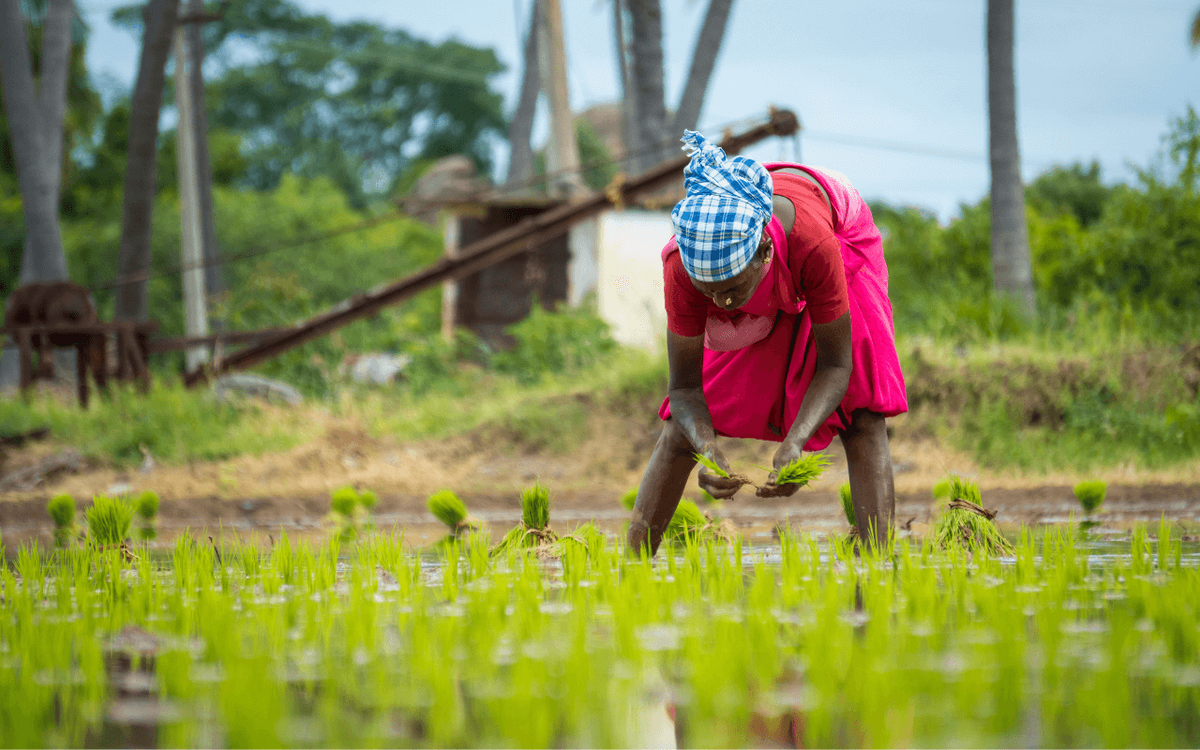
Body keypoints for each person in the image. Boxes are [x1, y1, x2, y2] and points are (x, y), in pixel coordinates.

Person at [627, 131, 908, 556]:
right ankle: (631, 563)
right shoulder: (683, 268)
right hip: (773, 260)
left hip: (838, 231)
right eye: (709, 291)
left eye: (732, 289)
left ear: (762, 254)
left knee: (863, 409)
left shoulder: (814, 244)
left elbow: (836, 365)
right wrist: (706, 448)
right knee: (679, 430)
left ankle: (877, 560)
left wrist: (796, 441)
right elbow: (684, 390)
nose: (721, 302)